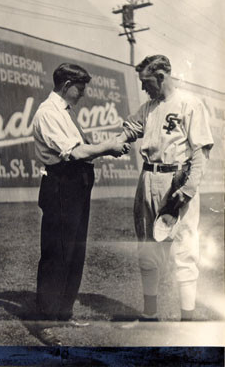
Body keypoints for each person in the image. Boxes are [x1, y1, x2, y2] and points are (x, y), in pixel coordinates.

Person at [117, 55, 214, 321]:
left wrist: (188, 190)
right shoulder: (149, 107)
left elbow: (200, 151)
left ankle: (187, 320)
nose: (143, 88)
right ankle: (150, 315)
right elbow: (131, 128)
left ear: (161, 76)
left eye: (146, 82)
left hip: (176, 180)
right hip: (148, 178)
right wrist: (115, 142)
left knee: (184, 250)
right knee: (147, 248)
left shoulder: (189, 103)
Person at [33, 63, 130, 326]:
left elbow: (83, 149)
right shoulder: (48, 113)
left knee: (75, 252)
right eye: (81, 87)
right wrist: (108, 146)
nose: (84, 93)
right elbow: (75, 153)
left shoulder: (66, 111)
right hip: (61, 185)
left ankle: (63, 312)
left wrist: (109, 144)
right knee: (57, 252)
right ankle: (46, 318)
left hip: (77, 184)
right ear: (66, 86)